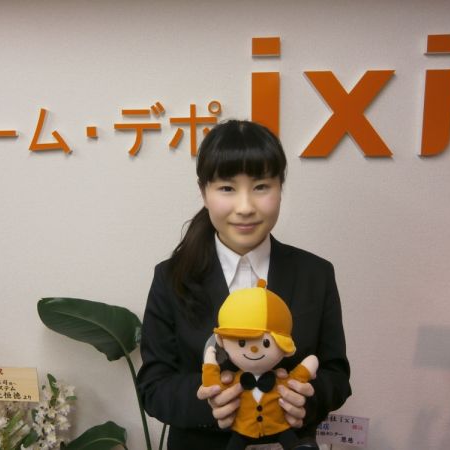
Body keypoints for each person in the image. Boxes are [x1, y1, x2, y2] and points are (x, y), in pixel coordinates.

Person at [136, 119, 351, 450]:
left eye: (261, 186)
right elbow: (153, 386)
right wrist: (208, 400)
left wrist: (308, 398)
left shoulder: (316, 274)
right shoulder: (170, 278)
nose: (246, 207)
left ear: (280, 187)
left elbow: (336, 373)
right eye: (227, 188)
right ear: (204, 192)